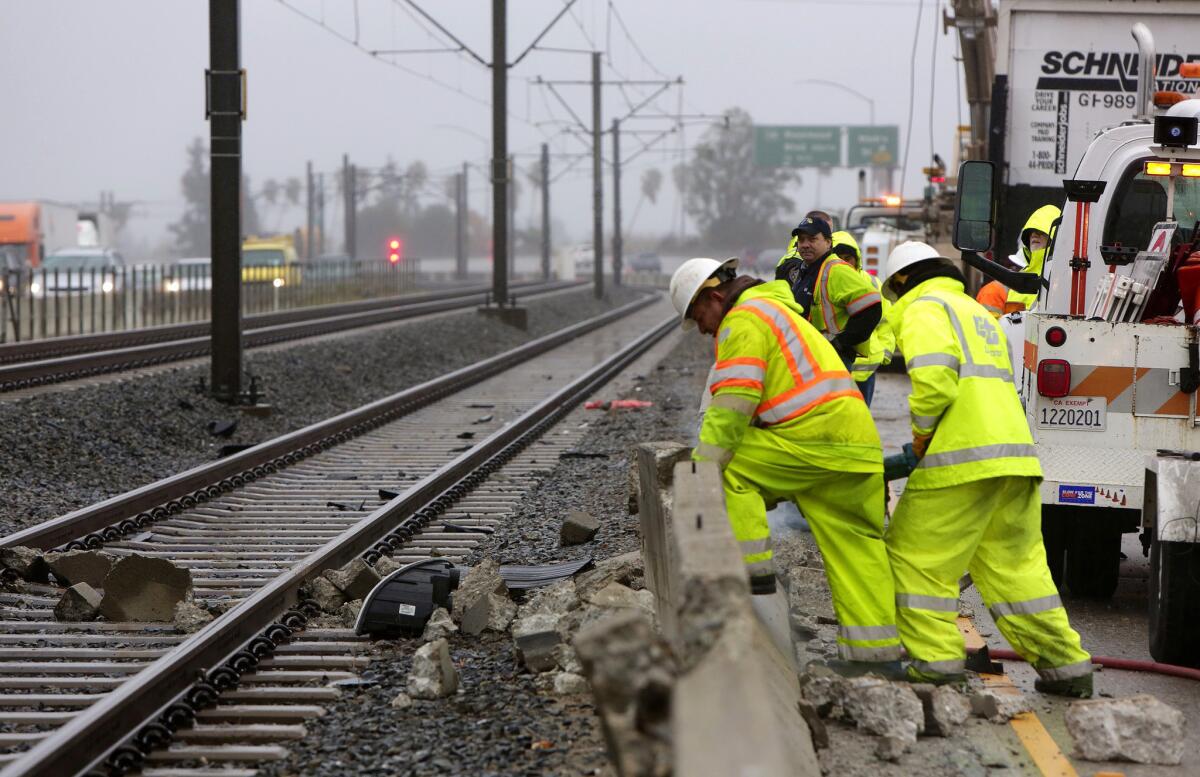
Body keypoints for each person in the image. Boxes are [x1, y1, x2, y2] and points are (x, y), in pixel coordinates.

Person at [880, 241, 1093, 696]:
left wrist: (921, 437)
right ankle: (1066, 668)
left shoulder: (923, 309)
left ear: (901, 282)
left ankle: (936, 663)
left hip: (960, 461)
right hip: (1014, 455)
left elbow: (935, 382)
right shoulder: (976, 312)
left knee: (916, 559)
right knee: (1018, 570)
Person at [669, 257, 901, 668]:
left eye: (697, 315)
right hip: (857, 446)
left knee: (726, 462)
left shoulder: (743, 320)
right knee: (857, 550)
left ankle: (753, 569)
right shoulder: (777, 311)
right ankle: (876, 661)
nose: (702, 328)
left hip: (813, 441)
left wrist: (699, 465)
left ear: (714, 295)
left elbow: (734, 405)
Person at [776, 217, 883, 390]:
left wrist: (841, 344)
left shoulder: (837, 270)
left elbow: (872, 308)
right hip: (812, 359)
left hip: (832, 361)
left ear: (828, 242)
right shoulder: (806, 270)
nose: (804, 244)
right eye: (801, 240)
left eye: (812, 239)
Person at [829, 230, 894, 405]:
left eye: (847, 258)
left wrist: (884, 353)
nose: (843, 263)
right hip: (835, 369)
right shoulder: (824, 283)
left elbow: (886, 321)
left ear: (856, 259)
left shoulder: (873, 283)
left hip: (866, 371)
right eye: (838, 258)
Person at [976, 205, 1060, 318]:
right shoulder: (1009, 283)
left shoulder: (1065, 279)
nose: (1034, 235)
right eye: (1031, 232)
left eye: (1041, 231)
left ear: (1056, 239)